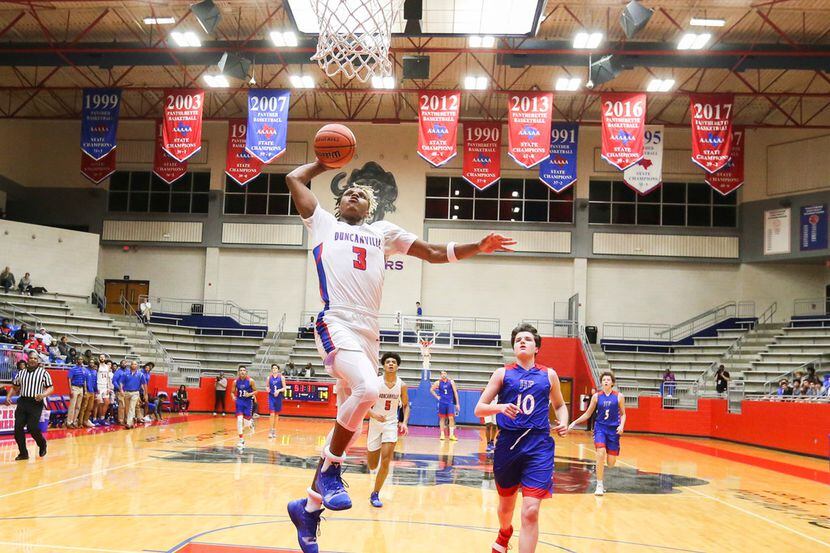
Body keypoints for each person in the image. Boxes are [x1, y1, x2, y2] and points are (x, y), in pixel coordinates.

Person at [284, 157, 515, 553]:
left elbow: (433, 253)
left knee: (352, 415)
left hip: (370, 331)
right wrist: (325, 161)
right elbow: (293, 177)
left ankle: (308, 509)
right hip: (335, 320)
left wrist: (477, 245)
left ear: (371, 209)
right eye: (348, 193)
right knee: (369, 390)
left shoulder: (383, 232)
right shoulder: (323, 223)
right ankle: (331, 471)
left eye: (362, 194)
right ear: (338, 205)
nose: (354, 194)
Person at [474, 323, 569, 553]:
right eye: (518, 340)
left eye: (527, 339)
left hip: (538, 445)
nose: (522, 342)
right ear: (514, 347)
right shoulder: (503, 373)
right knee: (505, 508)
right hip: (508, 444)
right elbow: (479, 409)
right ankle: (505, 532)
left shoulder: (549, 375)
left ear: (537, 347)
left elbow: (559, 405)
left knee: (531, 510)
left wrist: (564, 420)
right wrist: (500, 407)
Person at [569, 371, 627, 496]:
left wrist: (622, 425)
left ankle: (605, 461)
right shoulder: (596, 397)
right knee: (600, 453)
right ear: (601, 383)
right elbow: (588, 413)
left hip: (613, 430)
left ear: (612, 383)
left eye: (608, 380)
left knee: (611, 463)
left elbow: (623, 414)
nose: (606, 381)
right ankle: (599, 484)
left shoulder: (619, 396)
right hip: (600, 428)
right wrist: (575, 422)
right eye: (604, 379)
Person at [366, 352, 409, 508]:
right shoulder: (375, 382)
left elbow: (405, 405)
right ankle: (372, 463)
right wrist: (373, 414)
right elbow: (363, 404)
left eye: (393, 362)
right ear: (383, 365)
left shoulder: (402, 385)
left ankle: (375, 493)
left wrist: (404, 422)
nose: (391, 364)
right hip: (375, 424)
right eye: (388, 362)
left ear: (397, 366)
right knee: (371, 465)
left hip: (391, 424)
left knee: (386, 460)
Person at [6, 350, 53, 460]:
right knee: (17, 429)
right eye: (31, 358)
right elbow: (15, 387)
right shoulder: (21, 373)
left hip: (36, 402)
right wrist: (9, 396)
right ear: (28, 359)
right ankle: (23, 453)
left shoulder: (43, 373)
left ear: (38, 361)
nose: (33, 360)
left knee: (32, 428)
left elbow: (50, 387)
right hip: (23, 402)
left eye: (35, 358)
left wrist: (43, 395)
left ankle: (42, 444)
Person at [232, 365, 257, 452]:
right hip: (239, 402)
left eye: (244, 370)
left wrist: (249, 394)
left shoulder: (251, 381)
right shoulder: (235, 382)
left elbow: (256, 391)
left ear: (246, 372)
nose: (242, 372)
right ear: (238, 372)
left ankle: (251, 423)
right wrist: (233, 396)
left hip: (248, 402)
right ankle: (241, 440)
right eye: (241, 370)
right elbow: (232, 392)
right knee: (239, 420)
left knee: (246, 424)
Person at [431, 370, 460, 441]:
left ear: (447, 374)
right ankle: (442, 434)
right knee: (442, 418)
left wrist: (457, 403)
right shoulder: (438, 382)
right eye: (442, 374)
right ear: (440, 375)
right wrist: (437, 396)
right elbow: (431, 390)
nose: (443, 375)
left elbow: (455, 393)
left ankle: (451, 435)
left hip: (450, 402)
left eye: (444, 373)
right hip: (442, 402)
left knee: (451, 418)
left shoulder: (451, 382)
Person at [120, 361, 143, 429]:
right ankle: (132, 421)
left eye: (135, 364)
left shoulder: (140, 374)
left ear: (137, 366)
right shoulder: (125, 373)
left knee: (131, 407)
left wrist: (144, 394)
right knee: (127, 408)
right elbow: (121, 382)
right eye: (132, 364)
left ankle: (128, 423)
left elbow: (143, 384)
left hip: (135, 393)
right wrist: (121, 389)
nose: (134, 365)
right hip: (126, 392)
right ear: (130, 365)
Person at [268, 364, 288, 439]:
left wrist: (279, 390)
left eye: (276, 368)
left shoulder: (282, 378)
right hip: (271, 397)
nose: (274, 369)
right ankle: (270, 430)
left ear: (278, 370)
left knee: (276, 414)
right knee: (272, 414)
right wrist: (267, 389)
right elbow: (267, 386)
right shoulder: (269, 378)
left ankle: (274, 430)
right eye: (273, 368)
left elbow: (284, 388)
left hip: (278, 397)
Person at [66, 358, 87, 428]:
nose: (80, 360)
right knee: (72, 406)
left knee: (78, 406)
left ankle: (75, 421)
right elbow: (69, 379)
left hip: (81, 388)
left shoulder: (84, 369)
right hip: (74, 387)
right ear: (76, 360)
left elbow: (84, 381)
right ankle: (69, 422)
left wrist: (85, 390)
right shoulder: (73, 369)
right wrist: (70, 390)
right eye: (79, 359)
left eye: (81, 359)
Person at [95, 359, 113, 426]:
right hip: (99, 386)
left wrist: (108, 388)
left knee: (107, 402)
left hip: (105, 387)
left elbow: (108, 380)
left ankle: (102, 418)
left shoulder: (109, 372)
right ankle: (95, 418)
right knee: (98, 404)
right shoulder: (98, 368)